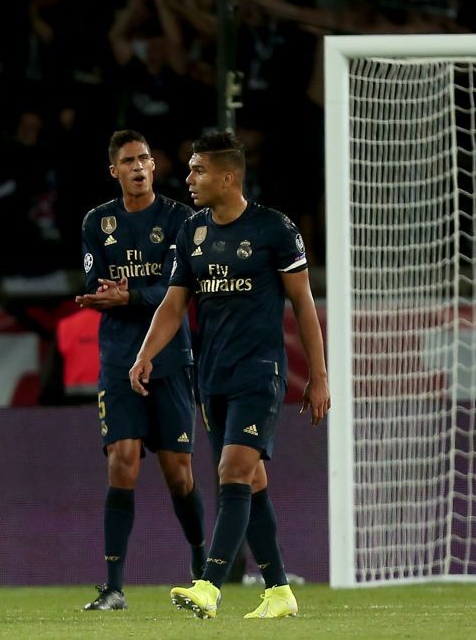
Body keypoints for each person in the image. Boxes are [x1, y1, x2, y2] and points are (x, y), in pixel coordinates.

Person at [129, 131, 330, 619]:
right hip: (211, 377)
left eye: (198, 170)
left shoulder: (275, 230)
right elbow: (173, 304)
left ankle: (209, 585)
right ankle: (279, 591)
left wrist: (319, 376)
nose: (189, 179)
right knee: (251, 481)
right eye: (190, 169)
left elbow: (303, 303)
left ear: (228, 177)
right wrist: (145, 354)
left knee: (232, 472)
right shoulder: (191, 233)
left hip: (259, 373)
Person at [75, 129, 206, 611]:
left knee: (178, 473)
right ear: (115, 171)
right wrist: (109, 294)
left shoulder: (180, 219)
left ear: (154, 166)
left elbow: (178, 291)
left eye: (144, 158)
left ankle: (203, 571)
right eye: (128, 160)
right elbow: (95, 282)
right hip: (118, 358)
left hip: (169, 358)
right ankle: (113, 587)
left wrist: (128, 295)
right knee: (122, 460)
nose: (137, 167)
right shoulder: (97, 222)